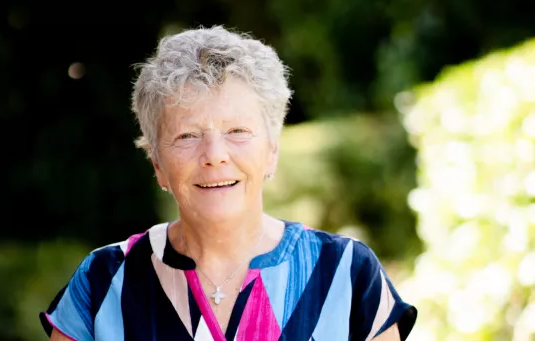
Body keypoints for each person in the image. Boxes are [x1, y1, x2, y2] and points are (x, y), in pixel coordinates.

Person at [39, 25, 417, 341]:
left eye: (237, 131)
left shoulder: (348, 274)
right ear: (157, 163)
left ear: (271, 150)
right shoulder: (103, 281)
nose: (214, 154)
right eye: (187, 136)